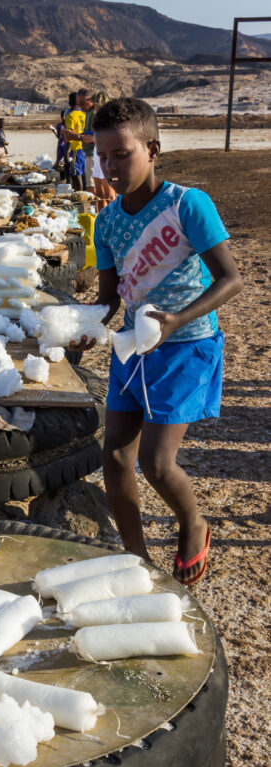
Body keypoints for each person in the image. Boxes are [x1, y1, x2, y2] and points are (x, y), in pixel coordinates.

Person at [74, 97, 242, 585]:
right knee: (115, 457)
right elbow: (109, 300)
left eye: (121, 154)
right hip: (134, 348)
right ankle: (135, 558)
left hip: (186, 345)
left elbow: (230, 279)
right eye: (102, 156)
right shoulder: (106, 221)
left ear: (152, 149)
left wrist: (176, 320)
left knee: (156, 462)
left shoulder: (189, 204)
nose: (110, 166)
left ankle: (193, 521)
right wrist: (84, 327)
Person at [91, 91, 116, 209]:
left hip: (106, 154)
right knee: (99, 193)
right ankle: (101, 219)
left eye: (95, 104)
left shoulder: (110, 119)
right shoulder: (98, 118)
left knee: (109, 193)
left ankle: (114, 220)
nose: (93, 106)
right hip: (97, 153)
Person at [62, 91, 86, 190]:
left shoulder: (70, 116)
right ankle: (84, 193)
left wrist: (66, 152)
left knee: (76, 174)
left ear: (69, 102)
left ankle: (79, 195)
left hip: (75, 148)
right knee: (83, 173)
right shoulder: (84, 115)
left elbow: (69, 135)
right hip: (85, 147)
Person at [76, 88, 96, 189]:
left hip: (94, 154)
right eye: (78, 104)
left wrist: (78, 136)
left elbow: (95, 136)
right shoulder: (88, 113)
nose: (80, 106)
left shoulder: (94, 113)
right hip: (89, 153)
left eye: (82, 103)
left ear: (90, 100)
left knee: (92, 187)